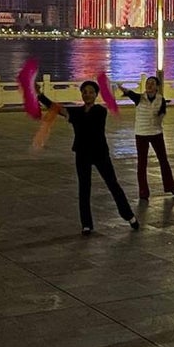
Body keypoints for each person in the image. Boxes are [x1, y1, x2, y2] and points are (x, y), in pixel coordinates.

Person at [39, 80, 139, 234]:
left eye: (91, 92)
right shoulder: (77, 112)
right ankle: (86, 224)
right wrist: (40, 96)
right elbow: (56, 108)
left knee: (113, 184)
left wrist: (69, 115)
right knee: (84, 189)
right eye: (84, 92)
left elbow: (80, 118)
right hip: (82, 154)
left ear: (96, 94)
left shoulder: (100, 111)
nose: (87, 95)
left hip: (99, 153)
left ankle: (129, 216)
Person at [118, 76, 174, 200]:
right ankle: (143, 192)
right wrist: (120, 87)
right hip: (141, 134)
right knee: (142, 163)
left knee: (163, 160)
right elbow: (129, 93)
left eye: (152, 83)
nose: (149, 85)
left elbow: (162, 114)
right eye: (148, 83)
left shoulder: (160, 99)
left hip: (156, 133)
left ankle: (171, 186)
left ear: (157, 86)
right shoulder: (139, 98)